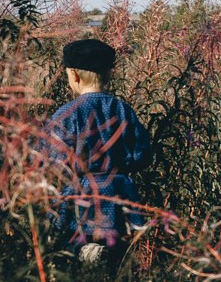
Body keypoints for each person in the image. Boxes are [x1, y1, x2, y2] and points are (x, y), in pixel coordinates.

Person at [44, 37, 152, 265]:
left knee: (72, 249)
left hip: (81, 191)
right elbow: (142, 153)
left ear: (73, 76)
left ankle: (88, 259)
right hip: (119, 191)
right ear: (109, 74)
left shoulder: (66, 114)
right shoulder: (124, 110)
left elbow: (53, 160)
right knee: (118, 252)